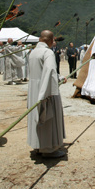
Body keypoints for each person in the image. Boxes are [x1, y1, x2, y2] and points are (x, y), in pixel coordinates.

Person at [27, 30, 67, 158]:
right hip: (45, 90)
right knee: (47, 116)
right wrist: (47, 93)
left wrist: (59, 77)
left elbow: (42, 72)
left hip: (34, 89)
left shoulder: (33, 53)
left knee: (36, 117)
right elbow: (49, 72)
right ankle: (48, 149)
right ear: (50, 40)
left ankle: (38, 145)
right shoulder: (48, 52)